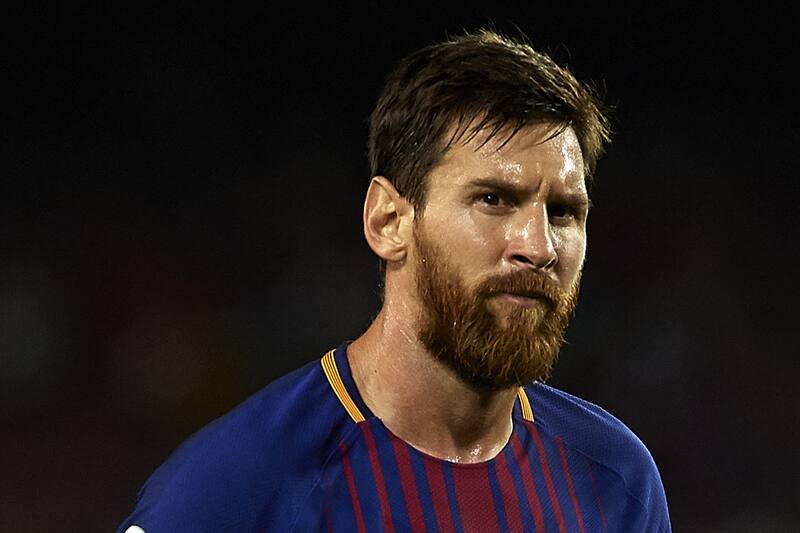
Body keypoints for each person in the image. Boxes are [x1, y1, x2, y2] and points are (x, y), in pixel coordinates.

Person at [118, 29, 671, 532]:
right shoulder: (231, 492)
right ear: (388, 222)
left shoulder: (615, 480)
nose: (539, 246)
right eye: (493, 200)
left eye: (564, 212)